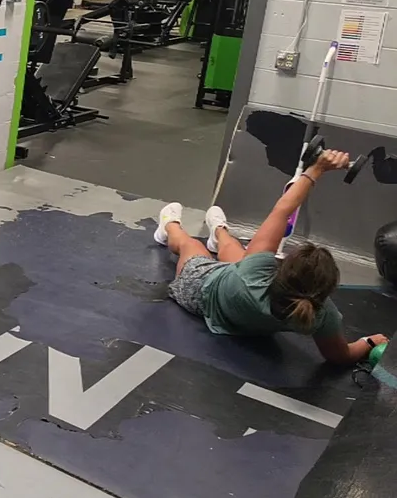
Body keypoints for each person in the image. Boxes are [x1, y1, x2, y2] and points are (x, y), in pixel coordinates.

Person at [154, 148, 388, 365]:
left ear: (281, 269)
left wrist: (316, 169)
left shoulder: (255, 273)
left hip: (202, 288)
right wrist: (370, 342)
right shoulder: (322, 315)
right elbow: (340, 356)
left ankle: (169, 225)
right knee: (234, 250)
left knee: (190, 244)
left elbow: (283, 210)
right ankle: (219, 232)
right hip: (239, 299)